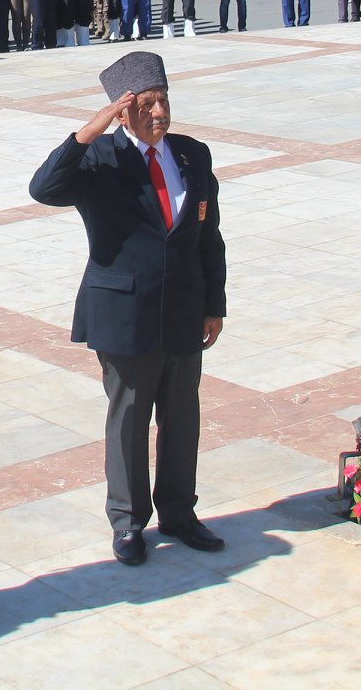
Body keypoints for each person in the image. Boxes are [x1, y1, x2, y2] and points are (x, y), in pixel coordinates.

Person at [27, 52, 226, 565]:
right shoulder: (99, 159)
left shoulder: (191, 155)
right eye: (147, 104)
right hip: (123, 312)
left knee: (182, 416)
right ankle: (128, 522)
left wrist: (214, 304)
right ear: (122, 111)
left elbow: (209, 237)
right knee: (129, 419)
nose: (159, 113)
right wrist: (87, 132)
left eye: (164, 101)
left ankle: (180, 512)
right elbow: (43, 188)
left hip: (183, 309)